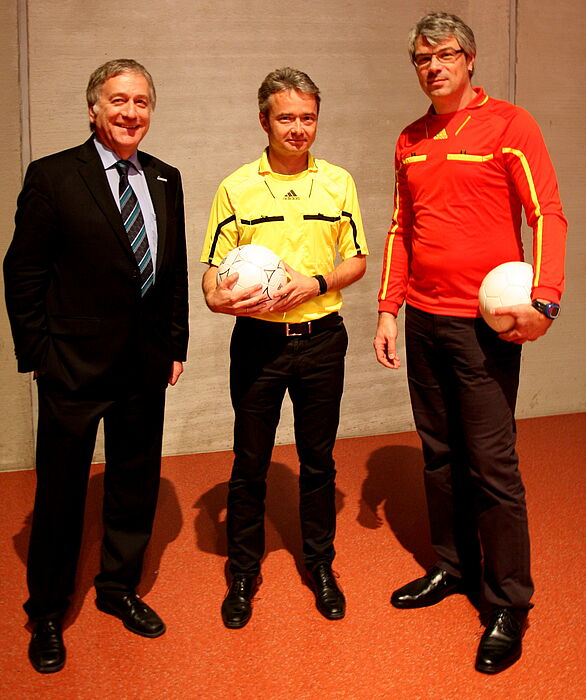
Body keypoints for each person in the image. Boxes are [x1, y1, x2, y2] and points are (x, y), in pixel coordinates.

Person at [374, 13, 566, 674]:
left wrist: (545, 299)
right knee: (438, 455)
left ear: (471, 58)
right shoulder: (410, 139)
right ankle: (455, 567)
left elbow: (548, 213)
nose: (433, 66)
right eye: (422, 58)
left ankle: (510, 602)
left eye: (445, 54)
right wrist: (388, 308)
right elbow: (401, 228)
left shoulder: (511, 126)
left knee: (491, 464)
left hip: (484, 327)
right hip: (424, 320)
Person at [4, 59, 188, 673]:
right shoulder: (54, 176)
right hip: (73, 369)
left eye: (140, 101)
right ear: (93, 109)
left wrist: (176, 343)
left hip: (144, 367)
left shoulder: (166, 178)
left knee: (135, 485)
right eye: (117, 100)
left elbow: (174, 272)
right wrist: (39, 357)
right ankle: (47, 613)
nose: (130, 112)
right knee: (59, 495)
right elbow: (23, 273)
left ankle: (118, 589)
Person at [201, 67, 368, 629]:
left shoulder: (339, 182)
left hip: (322, 342)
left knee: (318, 462)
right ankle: (243, 572)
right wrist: (215, 299)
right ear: (264, 121)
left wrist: (317, 284)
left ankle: (321, 565)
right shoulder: (236, 186)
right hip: (258, 344)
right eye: (286, 117)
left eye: (307, 117)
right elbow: (212, 271)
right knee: (249, 463)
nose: (298, 128)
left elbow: (358, 259)